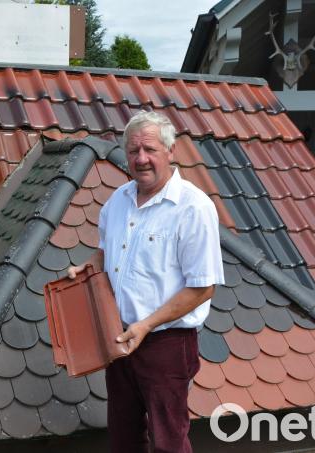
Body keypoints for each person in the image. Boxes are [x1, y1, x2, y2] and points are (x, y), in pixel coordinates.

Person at [67, 110, 224, 453]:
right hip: (119, 338)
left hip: (166, 343)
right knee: (124, 438)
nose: (141, 159)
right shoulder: (118, 201)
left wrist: (146, 325)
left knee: (168, 441)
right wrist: (88, 267)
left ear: (171, 152)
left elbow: (203, 287)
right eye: (134, 150)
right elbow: (106, 253)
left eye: (150, 149)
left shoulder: (193, 208)